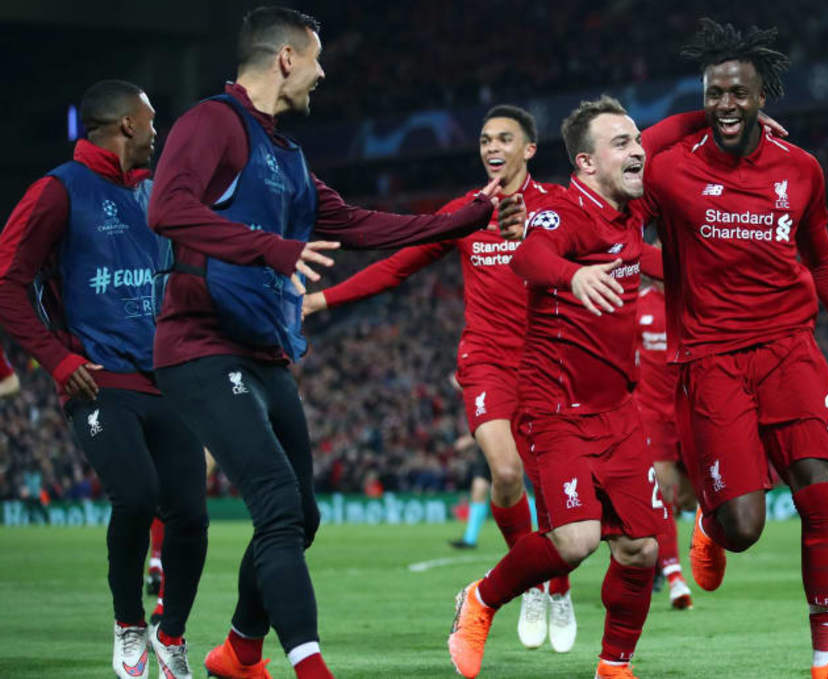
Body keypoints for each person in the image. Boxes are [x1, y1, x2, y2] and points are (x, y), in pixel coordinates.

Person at [146, 8, 521, 679]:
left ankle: (239, 651)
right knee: (277, 505)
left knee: (303, 516)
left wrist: (472, 215)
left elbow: (360, 225)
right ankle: (310, 666)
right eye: (316, 59)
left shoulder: (288, 156)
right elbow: (167, 210)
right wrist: (273, 248)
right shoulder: (211, 123)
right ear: (286, 58)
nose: (322, 74)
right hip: (201, 343)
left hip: (264, 351)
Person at [644, 19, 828, 679]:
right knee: (745, 528)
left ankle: (827, 660)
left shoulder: (800, 169)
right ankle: (710, 524)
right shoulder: (670, 170)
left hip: (789, 349)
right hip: (712, 359)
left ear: (761, 98)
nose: (726, 104)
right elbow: (631, 160)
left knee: (819, 494)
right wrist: (691, 116)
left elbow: (824, 258)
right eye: (714, 94)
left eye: (738, 93)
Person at [302, 105, 578, 652]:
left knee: (550, 486)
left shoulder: (558, 207)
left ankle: (558, 586)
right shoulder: (465, 213)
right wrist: (322, 299)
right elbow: (398, 266)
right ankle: (529, 584)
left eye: (504, 138)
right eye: (485, 139)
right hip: (486, 361)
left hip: (548, 360)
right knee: (506, 472)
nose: (491, 147)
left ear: (529, 149)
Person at [448, 95, 686, 679]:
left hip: (617, 409)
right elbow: (530, 256)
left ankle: (613, 667)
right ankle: (480, 599)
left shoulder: (630, 207)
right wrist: (573, 276)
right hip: (554, 408)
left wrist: (724, 115)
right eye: (622, 143)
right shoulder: (561, 211)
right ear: (586, 162)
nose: (637, 151)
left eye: (636, 141)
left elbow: (666, 134)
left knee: (642, 549)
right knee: (576, 541)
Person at [0, 79, 209, 679]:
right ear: (125, 125)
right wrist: (58, 360)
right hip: (97, 379)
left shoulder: (155, 192)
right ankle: (128, 626)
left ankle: (171, 635)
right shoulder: (58, 191)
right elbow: (7, 282)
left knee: (191, 515)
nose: (157, 131)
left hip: (166, 376)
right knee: (137, 496)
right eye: (151, 120)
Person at [634, 270, 694, 610]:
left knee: (689, 498)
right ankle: (674, 576)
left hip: (689, 408)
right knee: (663, 489)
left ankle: (660, 559)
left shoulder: (691, 303)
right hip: (651, 412)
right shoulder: (638, 307)